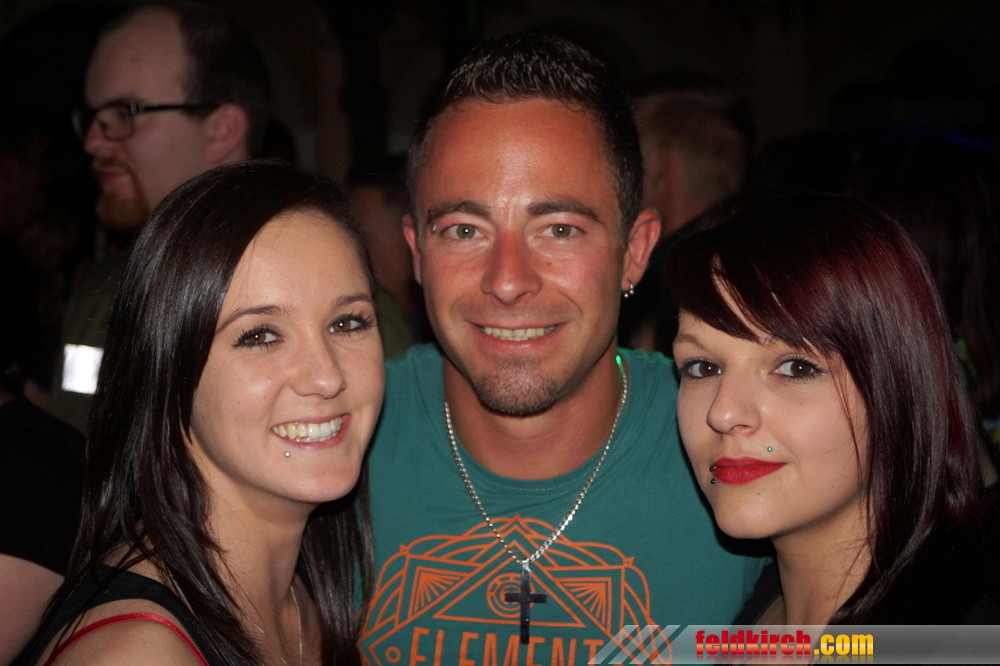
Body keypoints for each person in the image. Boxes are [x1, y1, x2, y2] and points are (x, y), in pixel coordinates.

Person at [360, 33, 763, 664]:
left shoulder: (736, 441)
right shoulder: (339, 438)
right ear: (416, 253)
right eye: (464, 230)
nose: (507, 280)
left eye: (559, 229)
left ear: (634, 251)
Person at [28, 161, 382, 664]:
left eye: (347, 323)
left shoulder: (299, 590)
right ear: (167, 369)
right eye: (260, 336)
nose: (327, 377)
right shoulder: (137, 654)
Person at [668, 193, 997, 624]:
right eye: (703, 367)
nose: (723, 413)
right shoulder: (748, 606)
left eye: (796, 368)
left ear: (896, 387)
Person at [50, 1, 271, 434]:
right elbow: (76, 449)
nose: (93, 141)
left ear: (221, 130)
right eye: (94, 117)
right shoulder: (99, 295)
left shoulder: (320, 292)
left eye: (125, 113)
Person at [619, 71, 753, 353]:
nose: (614, 172)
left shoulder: (676, 284)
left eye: (625, 155)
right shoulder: (759, 263)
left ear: (659, 166)